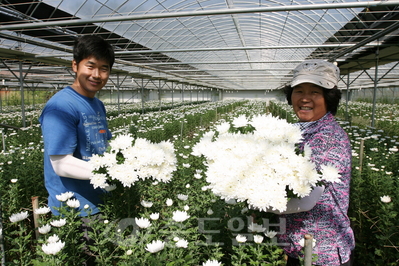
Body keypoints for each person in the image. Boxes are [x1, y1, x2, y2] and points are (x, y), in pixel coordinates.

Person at [272, 59, 355, 265]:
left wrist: (256, 200)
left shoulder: (328, 138)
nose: (305, 98)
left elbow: (306, 200)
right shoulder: (297, 130)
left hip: (322, 252)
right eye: (298, 91)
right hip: (297, 244)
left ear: (329, 98)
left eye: (314, 92)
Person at [39, 35, 114, 217]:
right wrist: (115, 172)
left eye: (104, 69)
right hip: (74, 209)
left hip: (99, 200)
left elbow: (104, 145)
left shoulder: (97, 104)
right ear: (75, 66)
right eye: (90, 66)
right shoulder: (61, 106)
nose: (96, 75)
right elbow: (61, 164)